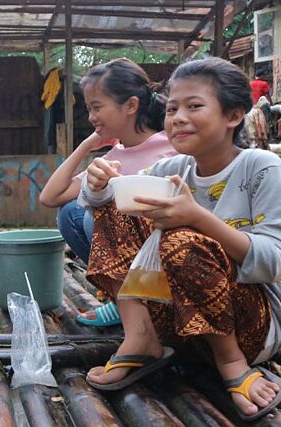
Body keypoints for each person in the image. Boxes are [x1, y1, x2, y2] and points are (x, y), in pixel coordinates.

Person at [80, 58, 281, 422]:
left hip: (250, 329)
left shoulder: (261, 167)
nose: (177, 117)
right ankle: (141, 338)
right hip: (181, 326)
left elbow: (275, 262)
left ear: (233, 115)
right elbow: (98, 204)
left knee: (183, 240)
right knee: (120, 204)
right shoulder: (172, 169)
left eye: (193, 106)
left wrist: (199, 218)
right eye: (171, 109)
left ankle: (231, 363)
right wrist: (98, 183)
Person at [38, 58, 177, 328]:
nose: (91, 117)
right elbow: (50, 197)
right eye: (89, 108)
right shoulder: (113, 158)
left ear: (131, 105)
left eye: (97, 107)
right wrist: (87, 145)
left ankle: (153, 308)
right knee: (70, 214)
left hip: (168, 257)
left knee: (96, 217)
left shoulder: (171, 148)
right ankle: (121, 302)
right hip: (129, 262)